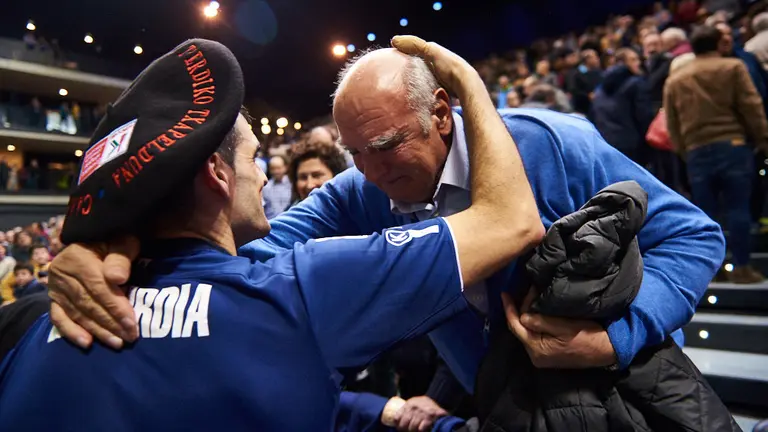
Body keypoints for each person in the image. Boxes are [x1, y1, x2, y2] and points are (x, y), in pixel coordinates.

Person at [49, 31, 724, 406]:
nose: (367, 170)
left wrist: (618, 337)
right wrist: (113, 246)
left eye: (384, 147)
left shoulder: (553, 144)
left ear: (443, 114)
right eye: (352, 152)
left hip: (620, 384)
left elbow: (694, 236)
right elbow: (241, 263)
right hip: (503, 405)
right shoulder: (358, 190)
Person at [0, 37, 544, 431]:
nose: (264, 176)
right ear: (217, 175)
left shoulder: (38, 315)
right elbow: (511, 220)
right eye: (255, 160)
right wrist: (466, 85)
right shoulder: (299, 288)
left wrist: (104, 235)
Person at [664, 25, 768, 283]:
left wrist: (684, 150)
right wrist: (763, 138)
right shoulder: (732, 67)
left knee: (705, 217)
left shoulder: (675, 79)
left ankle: (713, 271)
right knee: (738, 208)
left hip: (696, 151)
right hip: (732, 145)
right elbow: (751, 105)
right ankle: (742, 268)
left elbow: (672, 123)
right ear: (717, 43)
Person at [591, 47, 656, 166]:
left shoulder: (599, 89)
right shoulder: (636, 84)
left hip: (608, 144)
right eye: (633, 59)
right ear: (622, 63)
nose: (639, 63)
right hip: (634, 146)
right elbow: (644, 116)